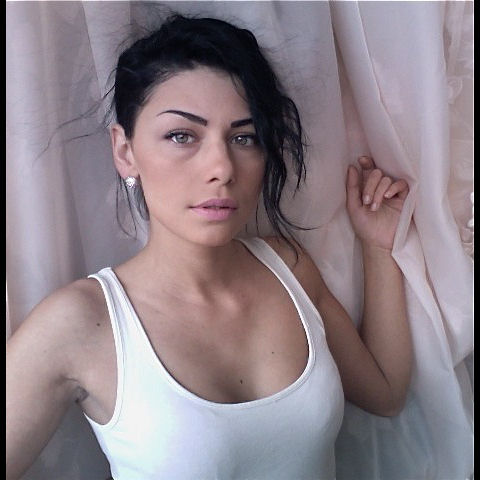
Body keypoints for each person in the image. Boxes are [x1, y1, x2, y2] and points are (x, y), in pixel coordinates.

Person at [6, 13, 413, 480]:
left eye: (244, 137)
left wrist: (378, 247)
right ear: (125, 151)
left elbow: (386, 393)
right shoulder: (82, 322)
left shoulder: (289, 267)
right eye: (182, 136)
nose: (222, 167)